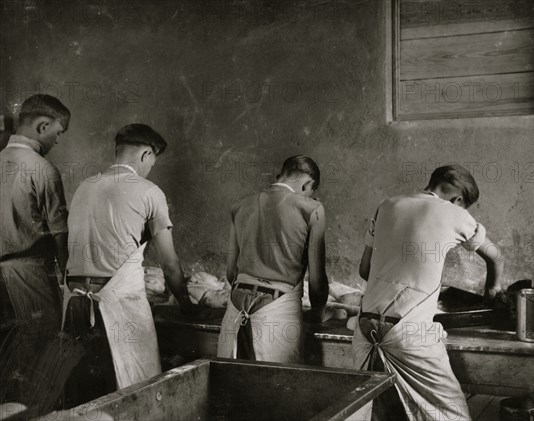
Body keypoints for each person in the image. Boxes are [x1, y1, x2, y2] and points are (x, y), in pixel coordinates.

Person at [353, 164, 505, 421]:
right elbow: (496, 257)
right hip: (408, 332)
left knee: (380, 413)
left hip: (365, 328)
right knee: (452, 414)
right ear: (458, 199)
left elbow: (365, 270)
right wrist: (492, 291)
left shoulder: (387, 205)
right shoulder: (454, 214)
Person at [62, 123, 199, 407]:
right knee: (137, 392)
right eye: (152, 161)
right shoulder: (150, 192)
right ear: (146, 154)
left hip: (75, 303)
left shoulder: (84, 187)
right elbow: (170, 264)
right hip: (118, 306)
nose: (151, 168)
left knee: (87, 394)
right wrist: (186, 306)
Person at [217, 155, 329, 363]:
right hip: (277, 311)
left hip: (235, 306)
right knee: (278, 391)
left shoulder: (240, 205)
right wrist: (317, 312)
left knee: (233, 387)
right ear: (307, 185)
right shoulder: (312, 209)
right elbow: (317, 281)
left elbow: (231, 273)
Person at [0, 94, 71, 410]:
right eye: (57, 133)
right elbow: (60, 235)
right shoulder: (43, 169)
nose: (57, 140)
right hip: (30, 272)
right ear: (43, 125)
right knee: (40, 349)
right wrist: (68, 277)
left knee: (7, 350)